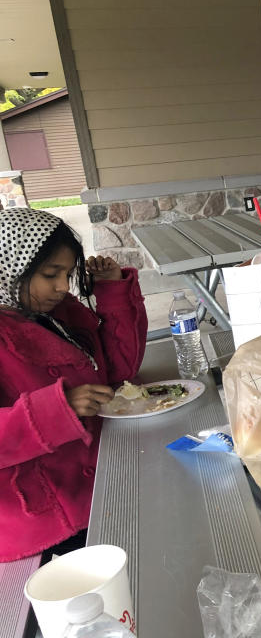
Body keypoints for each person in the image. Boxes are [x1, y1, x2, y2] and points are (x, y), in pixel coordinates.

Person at [0, 208, 147, 562]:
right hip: (44, 522)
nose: (64, 287)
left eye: (67, 274)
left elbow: (119, 371)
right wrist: (56, 409)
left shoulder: (57, 316)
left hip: (102, 480)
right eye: (51, 274)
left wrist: (110, 290)